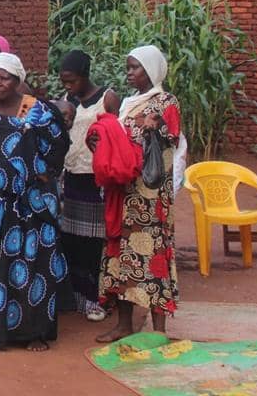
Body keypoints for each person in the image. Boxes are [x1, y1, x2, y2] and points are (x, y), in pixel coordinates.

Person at [0, 53, 69, 352]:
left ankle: (33, 332)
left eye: (4, 78)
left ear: (17, 80)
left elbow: (59, 144)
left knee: (33, 265)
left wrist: (42, 173)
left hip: (31, 204)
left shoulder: (34, 108)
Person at [96, 45, 181, 343]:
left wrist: (152, 129)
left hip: (150, 196)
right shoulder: (129, 102)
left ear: (152, 69)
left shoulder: (166, 102)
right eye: (129, 67)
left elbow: (170, 139)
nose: (130, 73)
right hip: (125, 191)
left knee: (153, 255)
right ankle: (124, 325)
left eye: (136, 67)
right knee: (123, 256)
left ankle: (159, 331)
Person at [57, 49, 121, 323]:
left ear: (85, 75)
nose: (68, 85)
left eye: (71, 80)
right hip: (71, 175)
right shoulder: (67, 99)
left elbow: (118, 134)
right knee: (72, 240)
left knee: (95, 243)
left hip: (96, 179)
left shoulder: (107, 98)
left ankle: (98, 299)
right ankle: (77, 297)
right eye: (64, 81)